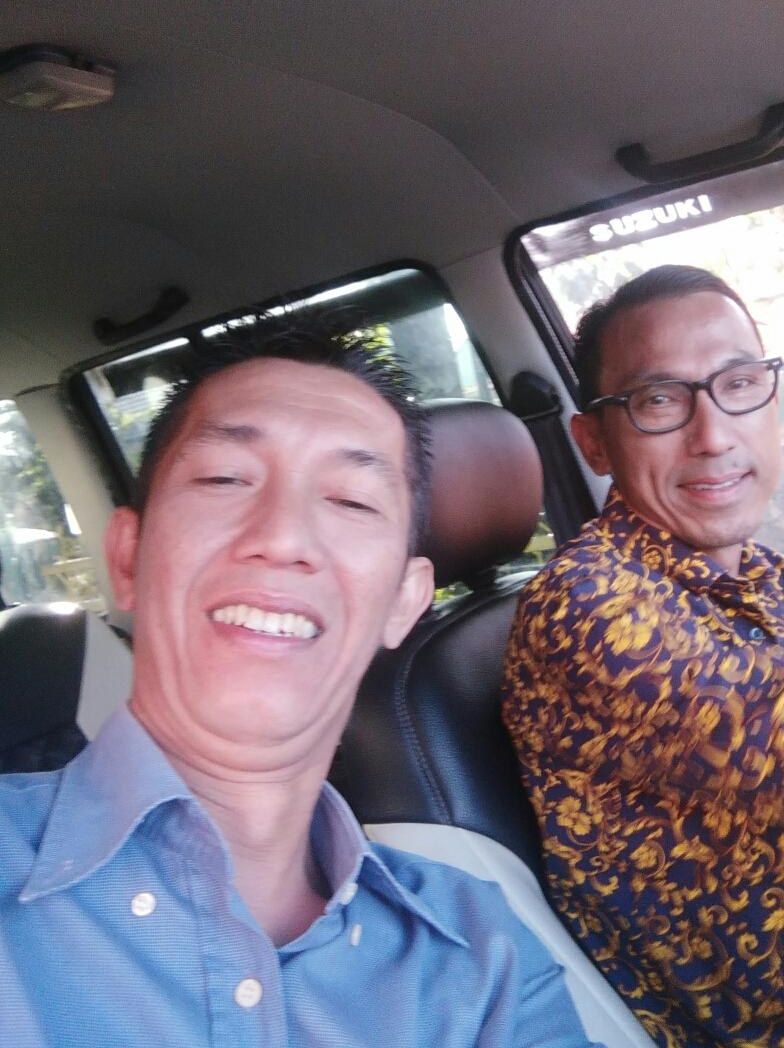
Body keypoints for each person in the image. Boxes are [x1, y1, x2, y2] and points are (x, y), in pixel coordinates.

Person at [0, 318, 596, 1048]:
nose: (282, 537)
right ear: (127, 557)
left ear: (404, 601)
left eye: (352, 501)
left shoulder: (482, 953)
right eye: (224, 479)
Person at [502, 264, 784, 1048]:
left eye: (739, 384)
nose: (713, 435)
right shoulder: (586, 607)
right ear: (594, 442)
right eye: (658, 400)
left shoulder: (776, 581)